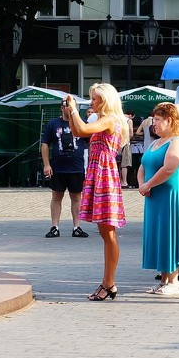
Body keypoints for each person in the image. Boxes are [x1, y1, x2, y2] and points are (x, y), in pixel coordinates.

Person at [64, 83, 129, 301]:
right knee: (105, 232)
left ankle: (109, 283)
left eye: (95, 99)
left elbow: (81, 130)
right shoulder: (106, 119)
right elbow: (76, 130)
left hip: (104, 174)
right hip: (100, 172)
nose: (92, 102)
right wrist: (70, 113)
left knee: (108, 232)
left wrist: (73, 109)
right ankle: (108, 282)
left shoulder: (109, 119)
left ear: (105, 100)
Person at [139, 102, 179, 295]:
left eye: (157, 119)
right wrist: (142, 184)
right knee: (160, 236)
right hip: (155, 197)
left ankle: (174, 281)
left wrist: (148, 185)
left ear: (169, 120)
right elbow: (143, 165)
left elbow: (170, 168)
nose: (153, 123)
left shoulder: (178, 141)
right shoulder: (157, 142)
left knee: (171, 234)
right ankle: (164, 280)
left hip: (171, 197)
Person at [41, 101, 89, 239]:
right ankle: (55, 227)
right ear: (62, 108)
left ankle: (77, 227)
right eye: (68, 107)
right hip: (58, 168)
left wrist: (90, 162)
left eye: (72, 107)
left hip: (77, 167)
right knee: (56, 196)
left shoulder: (81, 123)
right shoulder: (53, 124)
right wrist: (46, 164)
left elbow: (90, 142)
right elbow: (45, 144)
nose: (71, 109)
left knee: (76, 197)